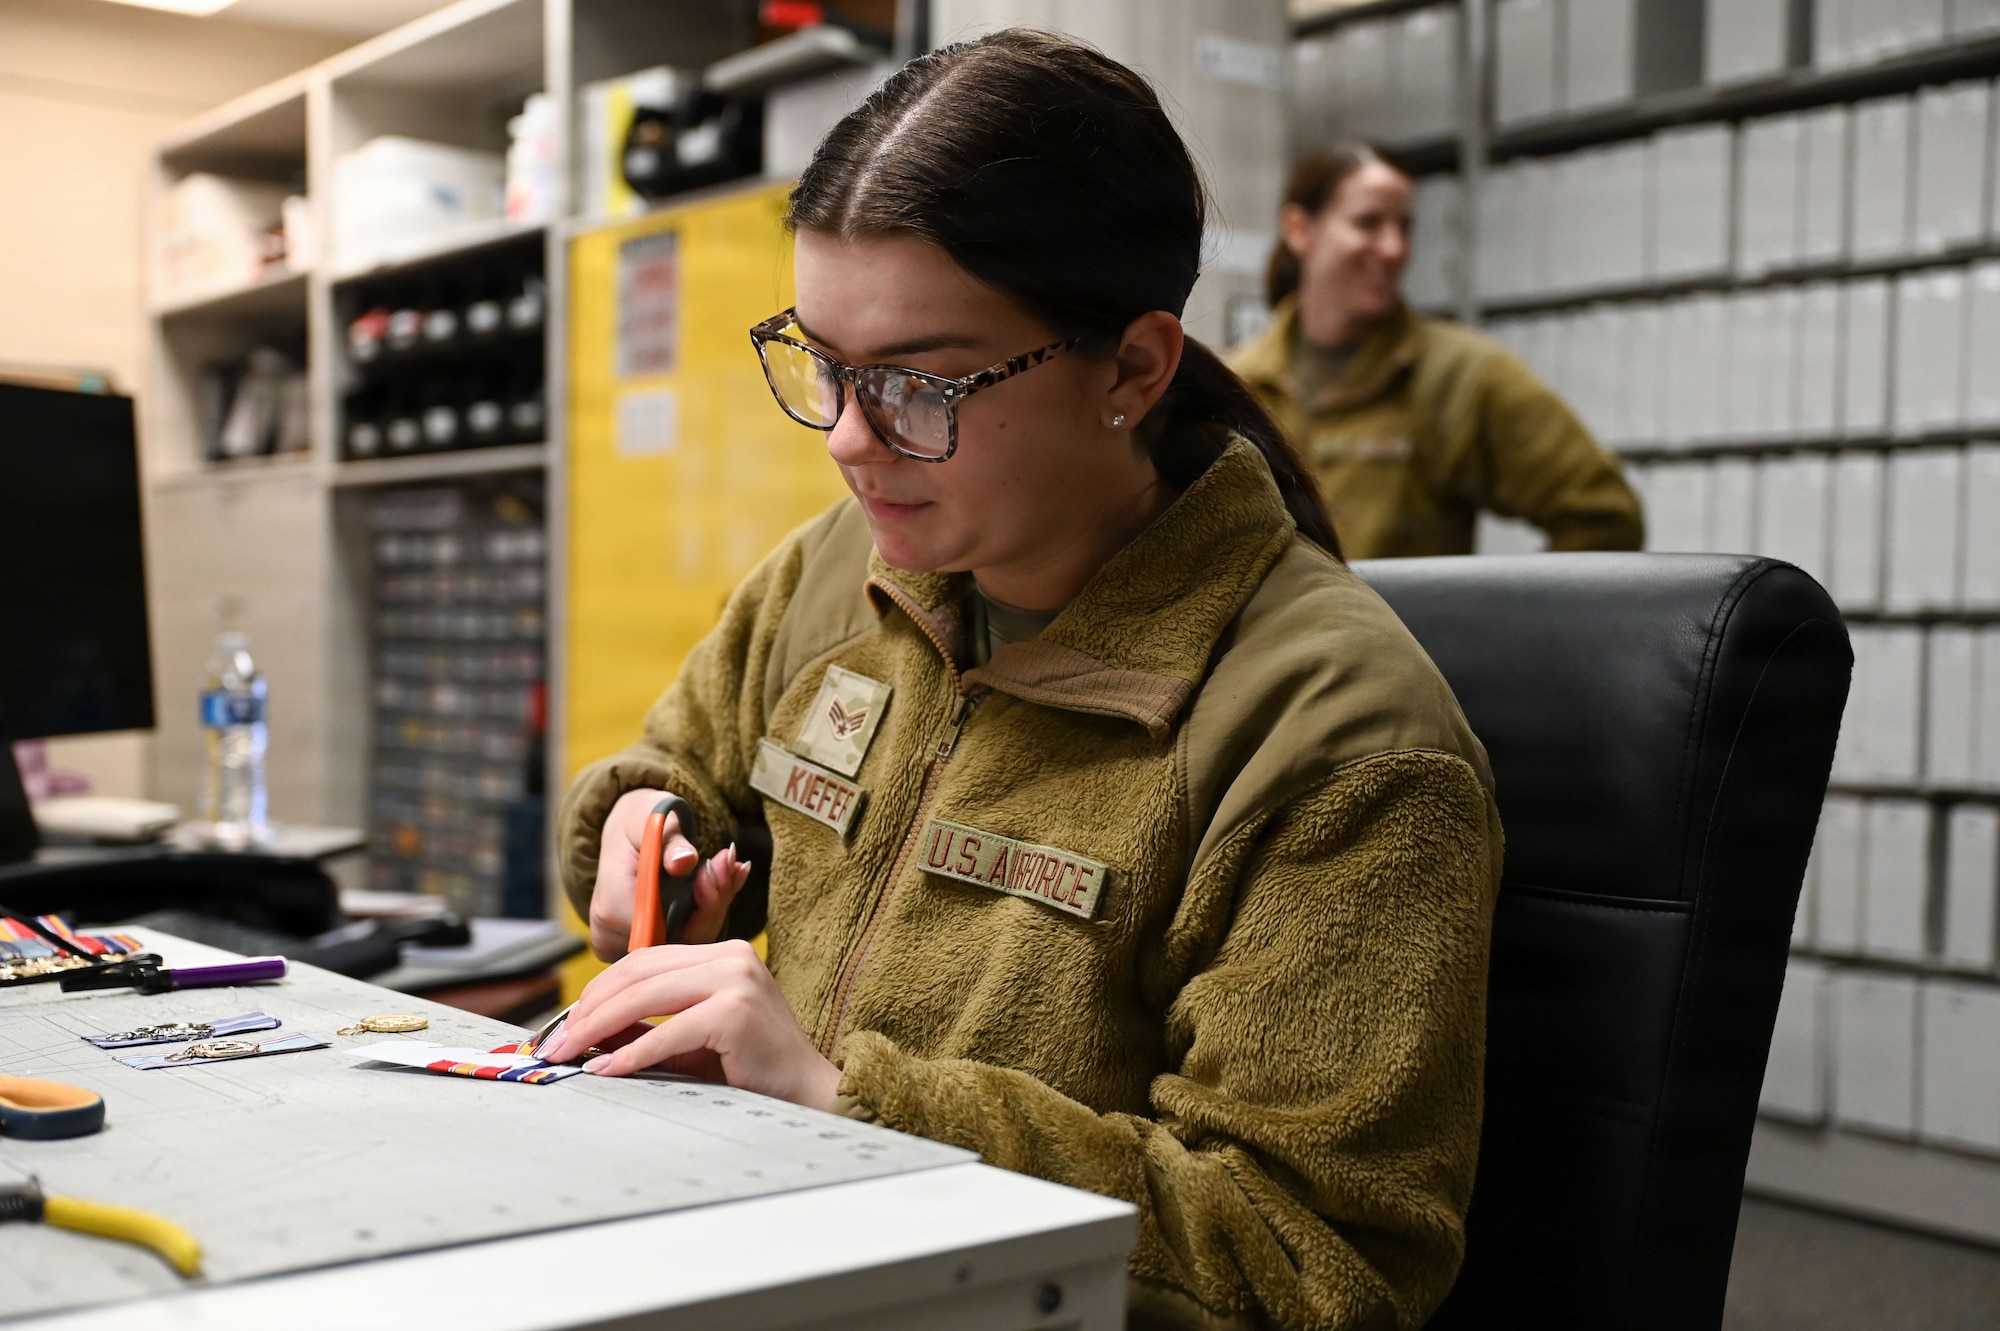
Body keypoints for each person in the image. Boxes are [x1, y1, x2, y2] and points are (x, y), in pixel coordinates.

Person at [543, 31, 1502, 1331]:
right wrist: (640, 829)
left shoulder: (1335, 733)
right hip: (774, 1258)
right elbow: (677, 770)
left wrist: (845, 1100)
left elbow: (1307, 1261)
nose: (845, 437)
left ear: (1132, 369)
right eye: (823, 362)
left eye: (919, 384)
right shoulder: (838, 572)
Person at [1229, 142, 1644, 559]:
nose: (1394, 248)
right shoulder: (1234, 385)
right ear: (1299, 229)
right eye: (1369, 223)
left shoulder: (1461, 375)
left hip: (1395, 628)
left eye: (1404, 227)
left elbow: (1606, 519)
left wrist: (1504, 619)